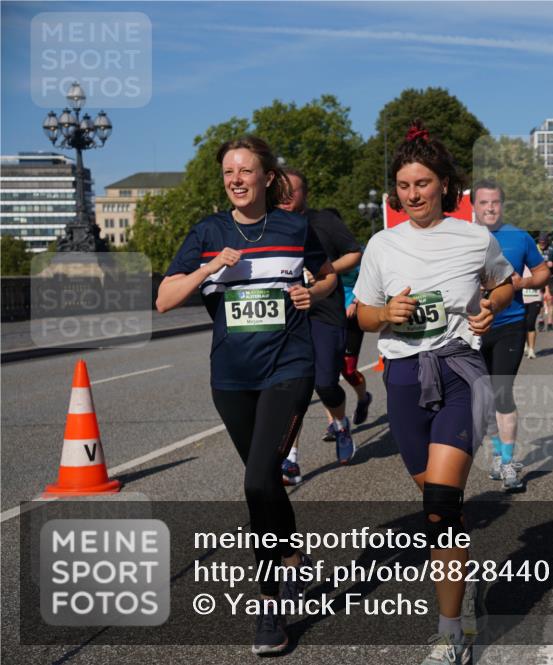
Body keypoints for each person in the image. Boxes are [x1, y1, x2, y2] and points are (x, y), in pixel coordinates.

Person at [156, 136, 336, 655]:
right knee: (265, 485)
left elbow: (326, 278)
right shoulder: (208, 233)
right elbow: (165, 299)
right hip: (231, 379)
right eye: (229, 172)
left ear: (266, 178)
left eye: (246, 171)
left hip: (288, 367)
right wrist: (209, 268)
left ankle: (269, 607)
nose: (236, 179)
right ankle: (294, 558)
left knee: (257, 480)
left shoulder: (294, 227)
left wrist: (311, 292)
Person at [353, 120, 514, 665]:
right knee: (436, 503)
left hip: (460, 371)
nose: (413, 194)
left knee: (440, 509)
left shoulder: (474, 236)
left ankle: (451, 635)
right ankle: (458, 572)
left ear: (445, 184)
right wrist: (386, 314)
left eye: (422, 183)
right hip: (402, 376)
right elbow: (362, 312)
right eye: (403, 185)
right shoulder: (382, 243)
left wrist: (490, 307)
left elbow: (505, 281)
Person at [277, 169, 362, 486]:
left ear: (305, 194)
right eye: (280, 192)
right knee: (291, 388)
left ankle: (340, 424)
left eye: (292, 191)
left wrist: (321, 273)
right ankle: (290, 460)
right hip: (286, 316)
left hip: (324, 311)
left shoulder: (323, 221)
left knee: (325, 382)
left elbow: (354, 252)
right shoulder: (269, 225)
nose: (285, 197)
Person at [471, 179, 549, 491]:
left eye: (495, 203)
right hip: (472, 328)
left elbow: (543, 272)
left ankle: (507, 462)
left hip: (509, 325)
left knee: (501, 391)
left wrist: (521, 284)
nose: (490, 208)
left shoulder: (519, 237)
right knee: (482, 396)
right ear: (474, 206)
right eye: (483, 203)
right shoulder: (463, 236)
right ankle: (496, 452)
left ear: (503, 205)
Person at [341, 262, 374, 425]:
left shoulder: (355, 255)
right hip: (326, 316)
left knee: (348, 370)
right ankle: (334, 423)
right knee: (326, 375)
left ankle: (363, 398)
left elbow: (368, 282)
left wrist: (355, 302)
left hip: (351, 316)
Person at [538, 233, 553, 330]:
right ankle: (541, 319)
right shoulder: (535, 249)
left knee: (550, 299)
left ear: (547, 241)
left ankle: (550, 322)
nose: (542, 244)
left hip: (550, 278)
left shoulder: (552, 250)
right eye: (540, 242)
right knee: (539, 300)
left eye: (544, 242)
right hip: (538, 277)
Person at [522, 264, 543, 358]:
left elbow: (544, 279)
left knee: (530, 323)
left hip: (535, 299)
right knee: (523, 324)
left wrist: (547, 291)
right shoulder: (519, 266)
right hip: (521, 300)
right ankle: (526, 343)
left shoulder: (537, 266)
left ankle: (531, 350)